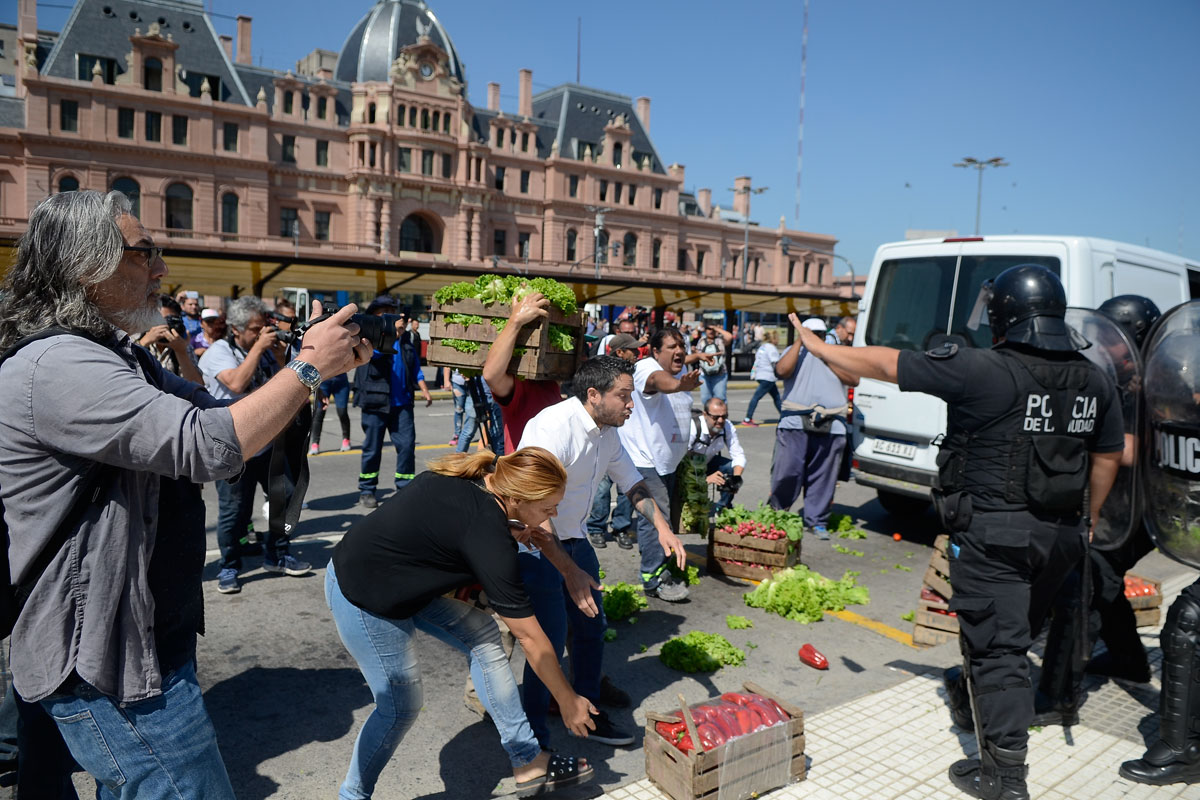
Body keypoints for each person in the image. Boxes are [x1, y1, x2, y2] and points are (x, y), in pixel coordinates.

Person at [0, 190, 369, 799]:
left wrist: (316, 366)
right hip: (105, 657)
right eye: (144, 252)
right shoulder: (59, 364)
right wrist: (306, 369)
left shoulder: (113, 354)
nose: (161, 269)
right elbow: (208, 446)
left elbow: (224, 416)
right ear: (86, 264)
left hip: (140, 636)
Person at [793, 263, 1123, 800]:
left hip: (997, 537)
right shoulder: (1094, 377)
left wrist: (818, 345)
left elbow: (882, 362)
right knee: (1011, 643)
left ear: (1004, 317)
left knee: (997, 652)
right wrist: (1088, 520)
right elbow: (1107, 455)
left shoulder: (983, 369)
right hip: (1060, 538)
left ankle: (1004, 779)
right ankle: (993, 734)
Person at [325, 448, 597, 799]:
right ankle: (352, 795)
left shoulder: (481, 481)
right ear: (515, 498)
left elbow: (457, 531)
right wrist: (568, 698)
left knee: (484, 636)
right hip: (363, 594)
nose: (553, 515)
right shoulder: (488, 536)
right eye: (547, 509)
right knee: (399, 707)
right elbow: (530, 638)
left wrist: (511, 529)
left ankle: (528, 760)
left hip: (404, 583)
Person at [518, 356, 688, 748]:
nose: (632, 404)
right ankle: (532, 739)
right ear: (593, 395)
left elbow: (632, 483)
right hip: (537, 544)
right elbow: (530, 506)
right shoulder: (552, 428)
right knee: (548, 640)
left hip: (575, 540)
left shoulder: (607, 432)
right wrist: (567, 571)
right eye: (624, 396)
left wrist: (664, 528)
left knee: (592, 628)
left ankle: (588, 706)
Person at [1033, 295, 1162, 728]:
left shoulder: (1164, 381)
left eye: (1117, 340)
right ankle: (1129, 660)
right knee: (1103, 582)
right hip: (1116, 504)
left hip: (1146, 510)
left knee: (1084, 585)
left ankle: (1057, 698)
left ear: (1139, 339)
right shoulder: (1115, 376)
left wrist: (1087, 440)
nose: (1107, 346)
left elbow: (1142, 448)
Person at [200, 295, 312, 594]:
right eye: (254, 329)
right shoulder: (218, 352)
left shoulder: (265, 351)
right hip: (232, 447)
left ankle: (278, 554)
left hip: (269, 445)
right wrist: (260, 348)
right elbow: (235, 383)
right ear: (235, 329)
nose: (261, 333)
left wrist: (276, 356)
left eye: (264, 327)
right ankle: (229, 566)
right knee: (234, 511)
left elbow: (289, 386)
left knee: (284, 498)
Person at [618, 328, 701, 600]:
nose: (679, 350)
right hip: (646, 461)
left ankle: (660, 564)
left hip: (668, 463)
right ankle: (652, 577)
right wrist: (679, 385)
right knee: (656, 519)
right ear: (655, 350)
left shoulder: (678, 375)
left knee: (664, 517)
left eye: (681, 345)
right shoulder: (646, 368)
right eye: (671, 346)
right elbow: (656, 381)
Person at [767, 316, 857, 540]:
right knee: (787, 471)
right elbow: (781, 371)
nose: (815, 337)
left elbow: (854, 379)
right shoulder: (793, 350)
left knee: (824, 476)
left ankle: (817, 520)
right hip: (795, 422)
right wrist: (800, 341)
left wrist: (824, 353)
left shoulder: (836, 353)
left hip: (832, 424)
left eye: (819, 334)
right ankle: (777, 513)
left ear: (826, 335)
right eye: (811, 333)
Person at [352, 296, 432, 508]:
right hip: (375, 402)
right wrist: (392, 335)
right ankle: (367, 489)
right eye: (385, 312)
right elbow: (373, 356)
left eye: (393, 311)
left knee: (406, 446)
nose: (393, 316)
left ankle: (404, 487)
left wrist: (424, 389)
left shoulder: (406, 343)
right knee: (372, 449)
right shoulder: (367, 339)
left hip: (402, 405)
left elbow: (415, 369)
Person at [482, 291, 565, 453]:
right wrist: (515, 321)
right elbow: (491, 375)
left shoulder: (551, 385)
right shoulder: (521, 388)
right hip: (523, 475)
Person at [585, 333, 643, 549]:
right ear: (619, 352)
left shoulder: (632, 375)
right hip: (606, 439)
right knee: (601, 488)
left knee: (625, 490)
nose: (637, 354)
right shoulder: (606, 376)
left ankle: (621, 527)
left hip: (628, 443)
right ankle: (596, 528)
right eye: (633, 350)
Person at [687, 397, 747, 513]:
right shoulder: (693, 427)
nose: (720, 421)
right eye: (715, 417)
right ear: (705, 415)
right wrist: (705, 479)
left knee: (730, 467)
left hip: (707, 462)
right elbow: (679, 463)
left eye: (724, 416)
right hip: (688, 467)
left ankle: (723, 507)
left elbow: (738, 455)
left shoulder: (727, 426)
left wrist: (736, 479)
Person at [139, 294, 204, 385]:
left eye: (171, 321)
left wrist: (181, 352)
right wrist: (143, 343)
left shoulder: (183, 346)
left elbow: (197, 385)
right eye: (161, 320)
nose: (166, 326)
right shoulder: (135, 340)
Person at [743, 329, 782, 425]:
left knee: (776, 397)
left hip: (760, 375)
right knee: (756, 397)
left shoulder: (762, 347)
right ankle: (748, 418)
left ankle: (784, 416)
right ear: (774, 339)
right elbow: (775, 363)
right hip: (768, 376)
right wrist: (781, 374)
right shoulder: (772, 348)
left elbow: (757, 361)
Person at [310, 372, 352, 455]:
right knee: (319, 413)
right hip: (323, 382)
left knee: (342, 412)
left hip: (341, 381)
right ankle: (315, 443)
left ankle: (346, 439)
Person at [697, 325, 733, 403]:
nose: (711, 331)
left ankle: (721, 414)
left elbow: (729, 336)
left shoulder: (720, 340)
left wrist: (717, 329)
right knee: (706, 400)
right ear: (705, 330)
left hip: (720, 374)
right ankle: (709, 415)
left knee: (720, 399)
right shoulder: (701, 341)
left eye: (712, 329)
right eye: (709, 329)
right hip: (704, 374)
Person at [444, 367, 467, 446]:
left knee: (472, 411)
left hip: (473, 382)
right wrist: (446, 380)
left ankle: (467, 435)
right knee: (458, 409)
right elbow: (447, 364)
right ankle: (457, 435)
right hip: (458, 383)